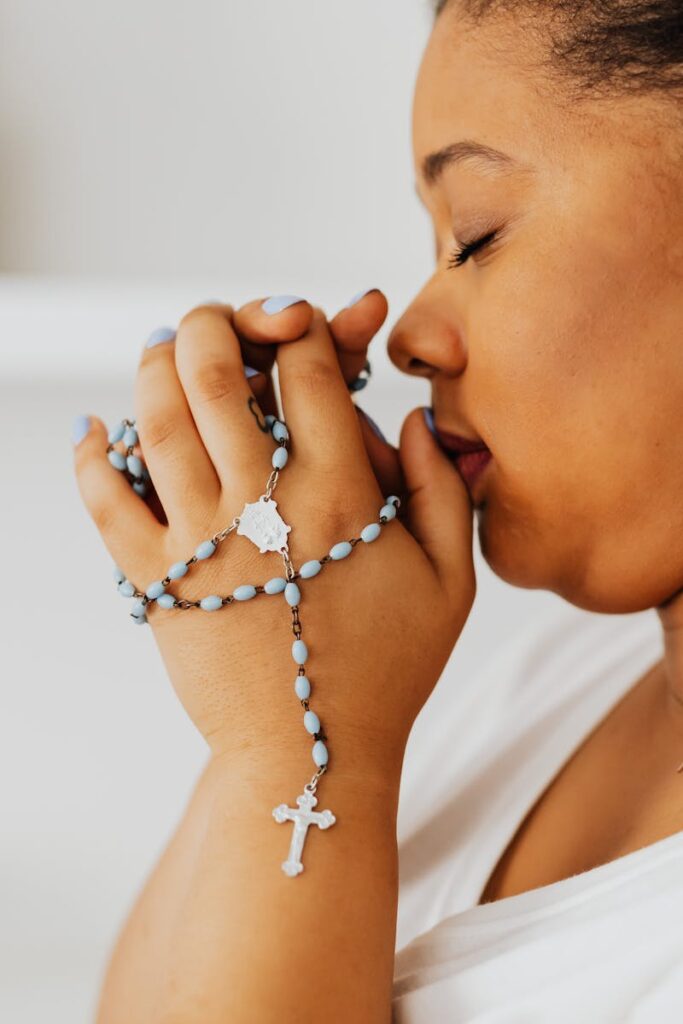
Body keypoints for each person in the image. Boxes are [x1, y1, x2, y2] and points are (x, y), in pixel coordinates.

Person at [70, 0, 683, 1019]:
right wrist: (282, 688)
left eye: (474, 236)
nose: (408, 335)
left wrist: (301, 749)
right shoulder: (546, 686)